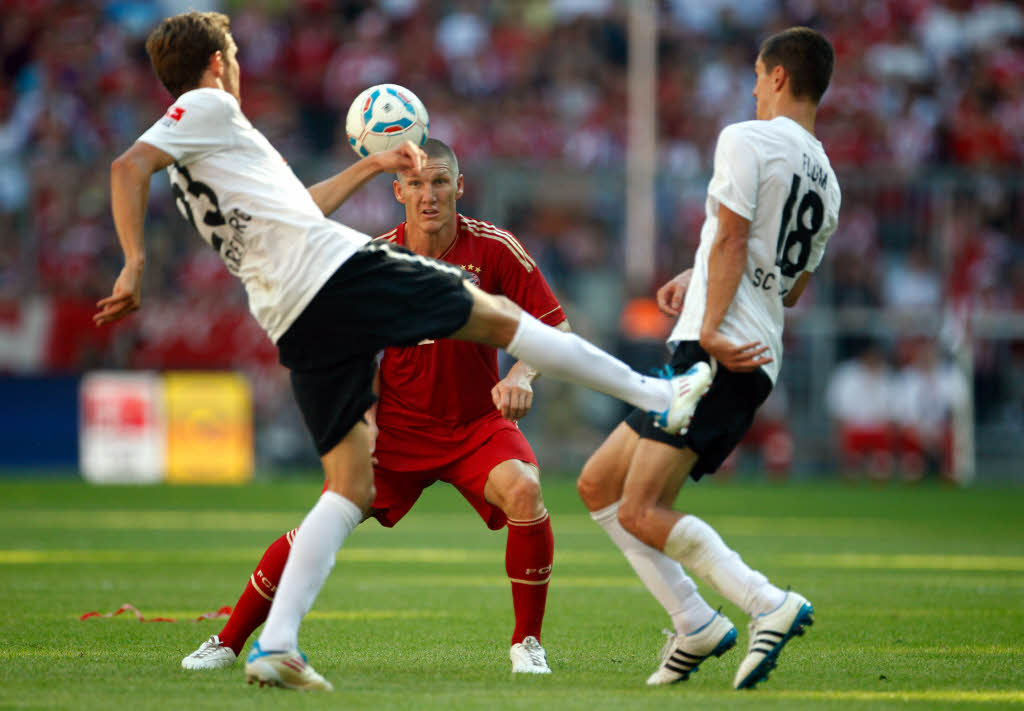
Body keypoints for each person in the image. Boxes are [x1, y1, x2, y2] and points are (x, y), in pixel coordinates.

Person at [97, 11, 710, 691]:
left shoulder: (198, 170)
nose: (239, 66)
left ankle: (275, 643)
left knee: (344, 490)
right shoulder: (209, 105)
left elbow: (300, 207)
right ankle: (660, 393)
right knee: (500, 319)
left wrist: (374, 161)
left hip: (293, 315)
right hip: (340, 280)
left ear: (456, 188)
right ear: (216, 63)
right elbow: (128, 166)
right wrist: (132, 264)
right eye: (234, 54)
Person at [181, 138, 562, 675]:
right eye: (416, 183)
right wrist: (366, 422)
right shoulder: (375, 259)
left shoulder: (495, 248)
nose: (428, 194)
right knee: (321, 522)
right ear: (398, 190)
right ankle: (227, 641)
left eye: (438, 182)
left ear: (459, 186)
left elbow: (554, 326)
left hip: (477, 423)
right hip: (397, 429)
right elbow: (350, 349)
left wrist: (523, 372)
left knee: (524, 489)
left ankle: (527, 645)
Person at [575, 27, 840, 690]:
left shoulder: (745, 138)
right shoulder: (829, 182)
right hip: (753, 346)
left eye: (757, 76)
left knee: (639, 506)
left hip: (717, 350)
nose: (752, 88)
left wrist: (711, 324)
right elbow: (788, 282)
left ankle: (765, 602)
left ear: (778, 76)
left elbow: (730, 236)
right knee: (598, 484)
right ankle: (694, 621)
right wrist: (696, 282)